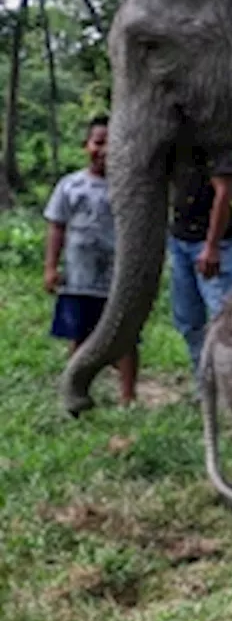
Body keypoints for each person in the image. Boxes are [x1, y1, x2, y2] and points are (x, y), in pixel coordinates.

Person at [44, 115, 139, 405]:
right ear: (86, 145)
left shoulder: (130, 187)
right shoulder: (70, 185)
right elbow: (57, 227)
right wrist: (50, 267)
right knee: (79, 335)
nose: (105, 150)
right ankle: (76, 387)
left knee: (125, 337)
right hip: (78, 276)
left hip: (117, 279)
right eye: (99, 142)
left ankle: (128, 396)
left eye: (112, 143)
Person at [168, 148, 232, 387]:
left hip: (210, 243)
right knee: (188, 319)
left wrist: (211, 246)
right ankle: (205, 385)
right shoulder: (173, 148)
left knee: (222, 316)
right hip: (180, 241)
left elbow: (224, 192)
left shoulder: (213, 147)